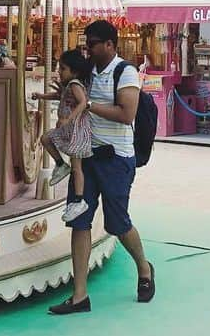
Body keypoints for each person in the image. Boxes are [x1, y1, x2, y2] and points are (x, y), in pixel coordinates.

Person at [49, 19, 154, 314]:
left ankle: (144, 268)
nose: (88, 48)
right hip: (86, 155)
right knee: (79, 220)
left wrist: (89, 105)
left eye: (93, 43)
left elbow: (126, 113)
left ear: (109, 44)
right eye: (86, 43)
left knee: (117, 222)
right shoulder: (86, 74)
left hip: (115, 158)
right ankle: (80, 295)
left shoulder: (125, 72)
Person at [36, 49, 94, 225]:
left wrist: (69, 118)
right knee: (45, 139)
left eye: (62, 69)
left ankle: (79, 200)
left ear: (74, 71)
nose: (59, 72)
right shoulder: (68, 86)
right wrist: (41, 96)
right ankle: (61, 165)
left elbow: (83, 102)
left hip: (76, 131)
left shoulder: (75, 85)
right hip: (68, 130)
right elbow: (58, 96)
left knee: (77, 167)